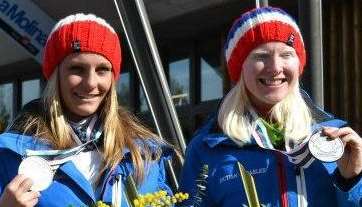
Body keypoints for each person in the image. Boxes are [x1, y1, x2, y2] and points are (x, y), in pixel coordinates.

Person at [179, 6, 362, 207]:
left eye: (286, 54)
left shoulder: (335, 139)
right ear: (240, 68)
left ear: (298, 64)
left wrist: (353, 180)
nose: (275, 67)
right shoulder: (207, 147)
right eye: (261, 56)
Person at [0, 13, 175, 207]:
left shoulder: (144, 153)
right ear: (55, 76)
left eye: (102, 70)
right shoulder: (10, 153)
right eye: (77, 69)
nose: (91, 83)